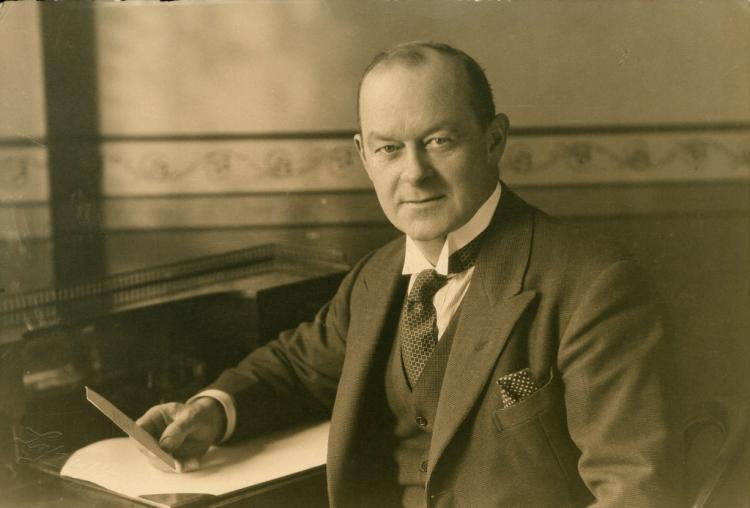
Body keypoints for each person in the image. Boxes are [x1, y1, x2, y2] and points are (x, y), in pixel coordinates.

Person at [137, 41, 684, 507]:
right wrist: (212, 410)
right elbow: (297, 368)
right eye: (389, 149)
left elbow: (638, 491)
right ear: (364, 156)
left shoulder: (594, 281)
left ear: (493, 140)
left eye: (440, 141)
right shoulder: (376, 278)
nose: (414, 173)